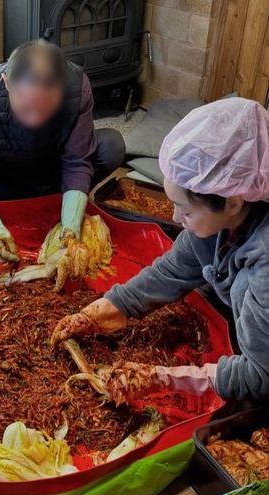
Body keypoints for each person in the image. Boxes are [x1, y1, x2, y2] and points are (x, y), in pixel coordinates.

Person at [51, 97, 269, 402]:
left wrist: (162, 377)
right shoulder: (225, 216)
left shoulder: (264, 265)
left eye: (185, 210)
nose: (175, 219)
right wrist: (110, 307)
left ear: (233, 201)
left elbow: (260, 375)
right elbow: (175, 268)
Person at [0, 40, 125, 264]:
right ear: (7, 83)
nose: (35, 120)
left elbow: (78, 162)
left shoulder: (77, 87)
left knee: (111, 145)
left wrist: (70, 232)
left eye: (46, 108)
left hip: (50, 176)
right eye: (26, 108)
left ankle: (60, 205)